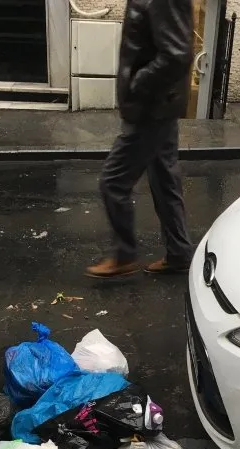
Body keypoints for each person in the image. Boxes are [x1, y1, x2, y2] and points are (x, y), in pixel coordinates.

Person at [86, 0, 195, 279]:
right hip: (159, 106)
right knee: (165, 182)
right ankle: (179, 253)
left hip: (151, 109)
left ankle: (124, 255)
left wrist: (138, 84)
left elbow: (176, 54)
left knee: (113, 181)